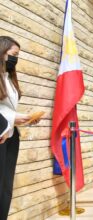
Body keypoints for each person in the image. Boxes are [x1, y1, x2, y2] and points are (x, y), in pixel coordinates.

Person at [0, 36, 40, 220]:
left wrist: (22, 119)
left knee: (6, 187)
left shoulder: (9, 78)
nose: (16, 59)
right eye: (13, 54)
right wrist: (15, 117)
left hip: (10, 136)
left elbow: (6, 109)